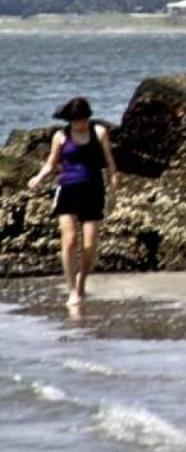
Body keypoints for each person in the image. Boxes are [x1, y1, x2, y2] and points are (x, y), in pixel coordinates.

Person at [25, 97, 121, 309]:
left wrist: (113, 192)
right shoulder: (61, 136)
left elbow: (111, 165)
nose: (82, 123)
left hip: (93, 191)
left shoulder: (99, 133)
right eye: (78, 119)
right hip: (68, 190)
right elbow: (51, 164)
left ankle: (81, 282)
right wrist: (39, 178)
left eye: (85, 118)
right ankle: (72, 290)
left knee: (89, 245)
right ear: (70, 119)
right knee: (69, 241)